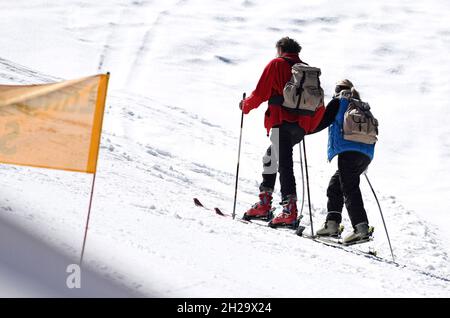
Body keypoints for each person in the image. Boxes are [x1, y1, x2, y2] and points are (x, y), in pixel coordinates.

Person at [239, 37, 325, 227]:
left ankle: (288, 209)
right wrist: (307, 127)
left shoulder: (277, 64)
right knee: (272, 156)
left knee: (283, 162)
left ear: (280, 49)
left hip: (280, 120)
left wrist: (245, 106)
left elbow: (261, 93)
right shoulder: (307, 71)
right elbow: (319, 105)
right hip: (300, 126)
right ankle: (265, 202)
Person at [313, 80, 375, 244]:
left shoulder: (339, 102)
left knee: (349, 188)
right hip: (365, 154)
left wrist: (302, 129)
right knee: (336, 184)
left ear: (338, 90)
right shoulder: (362, 106)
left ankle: (361, 229)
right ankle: (332, 224)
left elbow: (321, 122)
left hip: (348, 152)